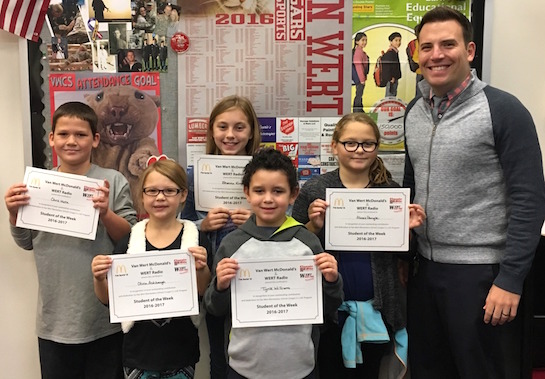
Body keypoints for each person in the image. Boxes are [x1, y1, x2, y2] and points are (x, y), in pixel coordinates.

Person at [403, 6, 545, 378]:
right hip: (426, 272)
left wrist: (510, 279)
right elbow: (411, 187)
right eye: (427, 46)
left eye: (448, 44)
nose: (436, 54)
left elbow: (529, 198)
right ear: (417, 54)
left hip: (483, 278)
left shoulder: (503, 110)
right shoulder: (414, 111)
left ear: (469, 51)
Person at [4, 101, 136, 379]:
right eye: (63, 134)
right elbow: (26, 242)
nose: (71, 141)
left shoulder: (112, 181)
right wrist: (14, 214)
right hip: (54, 322)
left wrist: (105, 214)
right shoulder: (37, 185)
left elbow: (129, 239)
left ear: (95, 139)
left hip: (104, 320)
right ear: (51, 138)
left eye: (81, 134)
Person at [292, 113, 425, 379]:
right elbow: (293, 247)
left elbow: (406, 256)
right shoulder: (316, 189)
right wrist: (314, 226)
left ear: (377, 147)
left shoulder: (390, 191)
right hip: (328, 311)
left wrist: (409, 231)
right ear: (334, 146)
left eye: (367, 144)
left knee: (370, 373)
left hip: (377, 309)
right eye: (350, 143)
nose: (359, 150)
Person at [203, 148, 344, 379]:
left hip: (300, 366)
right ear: (247, 193)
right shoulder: (232, 244)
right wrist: (220, 286)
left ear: (293, 194)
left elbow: (329, 307)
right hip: (244, 367)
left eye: (278, 191)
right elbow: (214, 308)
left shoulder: (308, 242)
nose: (268, 198)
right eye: (259, 191)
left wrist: (331, 280)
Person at [92, 158, 211, 379]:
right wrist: (99, 278)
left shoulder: (196, 239)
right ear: (142, 195)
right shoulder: (129, 240)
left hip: (180, 352)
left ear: (183, 195)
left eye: (169, 191)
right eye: (152, 191)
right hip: (138, 352)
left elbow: (204, 291)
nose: (160, 197)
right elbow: (108, 299)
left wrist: (201, 268)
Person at [181, 94, 262, 379]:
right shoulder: (195, 175)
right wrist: (202, 225)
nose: (230, 135)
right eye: (223, 127)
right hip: (217, 280)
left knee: (256, 352)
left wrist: (257, 219)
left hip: (259, 277)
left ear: (251, 130)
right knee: (219, 352)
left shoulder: (266, 172)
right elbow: (179, 224)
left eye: (239, 127)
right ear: (212, 131)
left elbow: (288, 219)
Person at [352, 32, 369, 113]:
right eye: (362, 40)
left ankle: (359, 110)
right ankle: (357, 111)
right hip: (359, 78)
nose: (364, 42)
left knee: (359, 94)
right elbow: (358, 66)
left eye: (366, 40)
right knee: (359, 95)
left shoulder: (360, 51)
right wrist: (362, 80)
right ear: (357, 41)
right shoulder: (358, 52)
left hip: (359, 77)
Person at [382, 32, 402, 97]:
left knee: (392, 96)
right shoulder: (390, 53)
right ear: (391, 41)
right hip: (391, 79)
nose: (398, 42)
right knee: (390, 97)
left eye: (399, 40)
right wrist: (391, 78)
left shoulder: (394, 52)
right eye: (396, 40)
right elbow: (387, 67)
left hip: (394, 78)